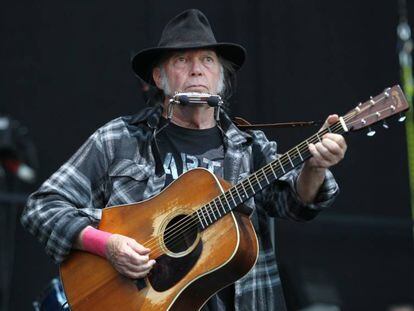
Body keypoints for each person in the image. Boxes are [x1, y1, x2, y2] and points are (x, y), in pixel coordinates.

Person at [21, 9, 347, 311]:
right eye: (182, 60)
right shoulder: (118, 139)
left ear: (221, 77)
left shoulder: (250, 148)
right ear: (159, 78)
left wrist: (314, 168)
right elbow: (43, 208)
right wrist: (107, 245)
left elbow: (296, 203)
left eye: (207, 59)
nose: (196, 69)